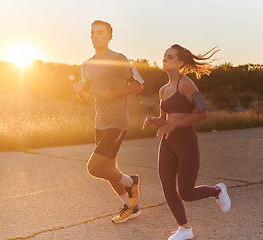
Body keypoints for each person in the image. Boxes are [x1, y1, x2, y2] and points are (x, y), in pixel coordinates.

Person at [142, 44, 231, 240]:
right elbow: (165, 119)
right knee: (167, 186)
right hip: (168, 142)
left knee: (187, 193)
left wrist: (174, 125)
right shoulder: (163, 90)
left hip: (186, 141)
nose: (164, 59)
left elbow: (203, 113)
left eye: (170, 57)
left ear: (180, 63)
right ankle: (185, 229)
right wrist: (153, 121)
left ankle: (217, 190)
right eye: (164, 56)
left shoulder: (186, 84)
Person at [73, 20, 143, 223]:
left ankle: (132, 182)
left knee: (94, 167)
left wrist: (114, 94)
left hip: (117, 121)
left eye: (100, 33)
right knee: (110, 169)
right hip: (100, 122)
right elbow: (86, 96)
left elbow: (139, 85)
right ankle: (131, 207)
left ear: (109, 36)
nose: (95, 36)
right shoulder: (86, 65)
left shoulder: (118, 59)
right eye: (92, 33)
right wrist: (79, 92)